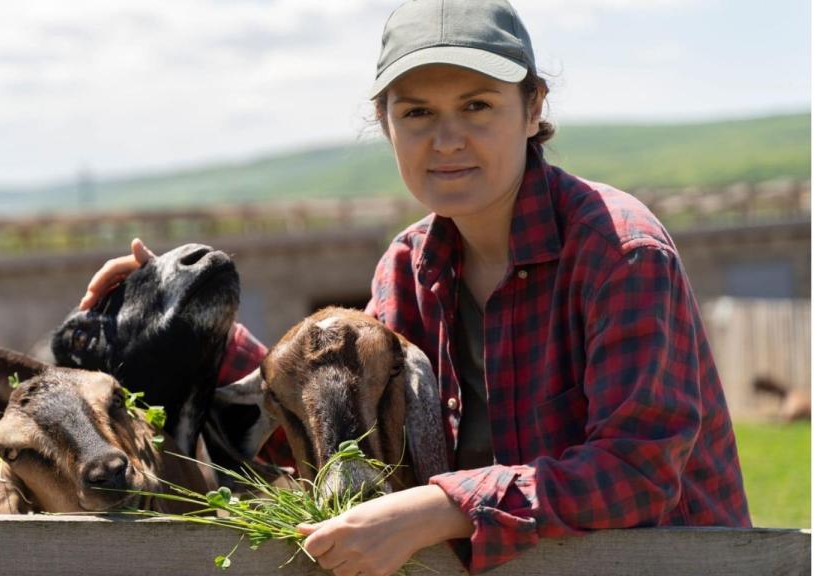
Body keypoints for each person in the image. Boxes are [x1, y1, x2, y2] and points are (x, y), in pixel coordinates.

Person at [78, 0, 751, 574]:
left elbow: (638, 472)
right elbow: (335, 414)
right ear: (385, 120)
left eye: (477, 106)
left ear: (532, 106)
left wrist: (442, 507)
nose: (447, 139)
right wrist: (190, 323)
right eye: (419, 113)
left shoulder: (621, 253)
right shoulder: (410, 267)